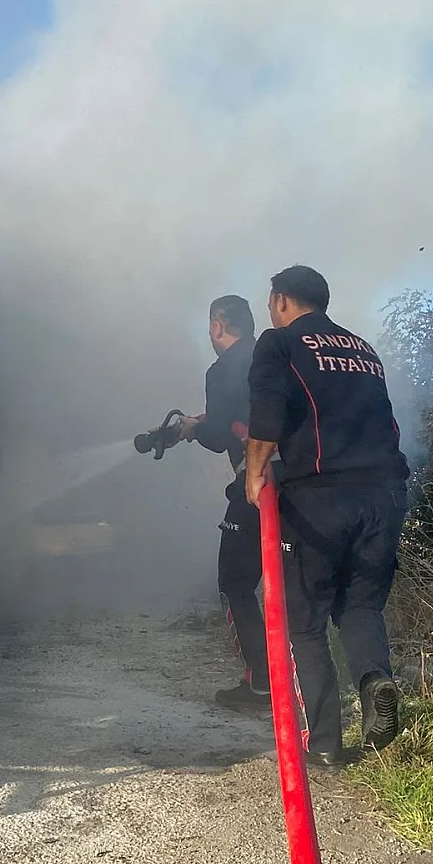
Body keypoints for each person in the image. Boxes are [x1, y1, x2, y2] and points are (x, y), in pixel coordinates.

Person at [243, 265, 407, 769]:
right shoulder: (362, 349)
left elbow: (266, 418)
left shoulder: (279, 343)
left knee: (305, 622)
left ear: (282, 299)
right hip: (385, 495)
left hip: (318, 498)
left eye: (271, 299)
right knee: (360, 607)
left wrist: (254, 476)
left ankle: (326, 743)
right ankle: (374, 679)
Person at [176, 295, 269, 709]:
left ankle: (262, 684)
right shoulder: (271, 356)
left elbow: (219, 436)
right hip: (303, 484)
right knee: (293, 585)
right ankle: (302, 681)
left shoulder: (221, 368)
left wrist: (196, 429)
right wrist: (207, 422)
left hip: (256, 486)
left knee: (235, 582)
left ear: (217, 326)